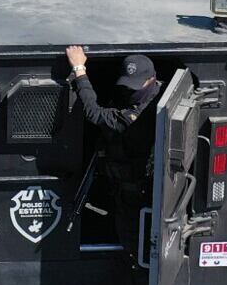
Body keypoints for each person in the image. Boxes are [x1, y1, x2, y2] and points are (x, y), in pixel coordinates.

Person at [62, 46, 161, 257]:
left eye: (135, 87)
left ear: (151, 80)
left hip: (136, 190)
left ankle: (137, 271)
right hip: (124, 183)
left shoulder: (136, 117)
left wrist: (80, 70)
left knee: (132, 241)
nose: (130, 92)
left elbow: (93, 112)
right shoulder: (153, 93)